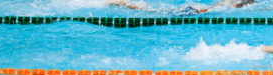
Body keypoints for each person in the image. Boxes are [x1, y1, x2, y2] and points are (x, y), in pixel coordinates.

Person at [109, 0, 256, 15]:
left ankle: (125, 4)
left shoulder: (229, 3)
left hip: (193, 11)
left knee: (153, 11)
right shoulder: (231, 4)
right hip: (192, 12)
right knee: (151, 11)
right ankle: (124, 3)